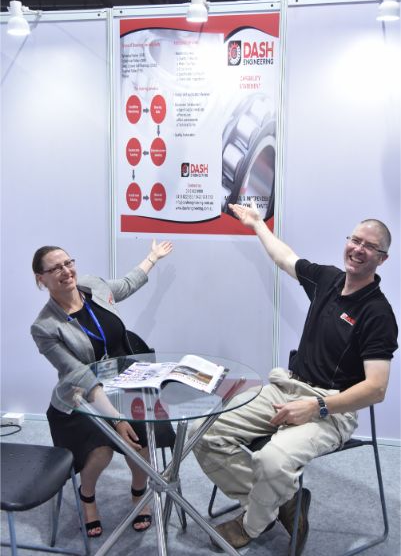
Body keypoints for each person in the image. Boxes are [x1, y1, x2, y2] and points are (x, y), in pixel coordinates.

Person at [192, 203, 398, 555]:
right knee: (203, 432)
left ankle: (250, 524)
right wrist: (257, 224)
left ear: (382, 259)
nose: (358, 249)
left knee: (273, 460)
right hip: (286, 387)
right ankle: (283, 502)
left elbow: (376, 388)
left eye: (370, 246)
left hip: (331, 409)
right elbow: (285, 257)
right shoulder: (329, 279)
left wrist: (317, 406)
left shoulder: (378, 314)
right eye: (355, 240)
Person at [31, 239, 173, 538]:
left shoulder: (93, 286)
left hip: (126, 383)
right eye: (55, 268)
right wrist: (116, 419)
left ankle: (139, 492)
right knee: (101, 451)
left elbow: (127, 284)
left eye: (68, 263)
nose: (66, 271)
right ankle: (87, 496)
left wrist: (152, 257)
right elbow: (78, 374)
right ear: (41, 279)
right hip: (81, 398)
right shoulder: (44, 327)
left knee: (142, 440)